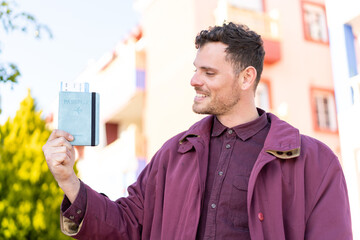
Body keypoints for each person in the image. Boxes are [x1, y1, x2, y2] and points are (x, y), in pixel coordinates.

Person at [43, 22, 353, 239]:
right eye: (195, 69)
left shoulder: (315, 163)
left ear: (246, 78)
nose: (194, 80)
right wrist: (69, 181)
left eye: (208, 72)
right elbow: (125, 226)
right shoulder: (172, 156)